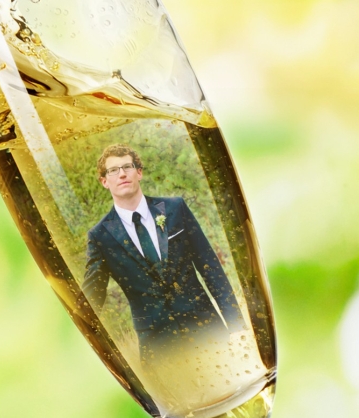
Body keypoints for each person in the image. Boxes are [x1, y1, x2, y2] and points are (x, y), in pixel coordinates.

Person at [84, 144, 244, 348]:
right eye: (114, 170)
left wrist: (237, 326)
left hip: (208, 331)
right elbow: (92, 299)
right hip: (159, 349)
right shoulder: (100, 237)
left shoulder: (175, 208)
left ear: (139, 172)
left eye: (128, 167)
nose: (122, 174)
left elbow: (209, 266)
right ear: (104, 181)